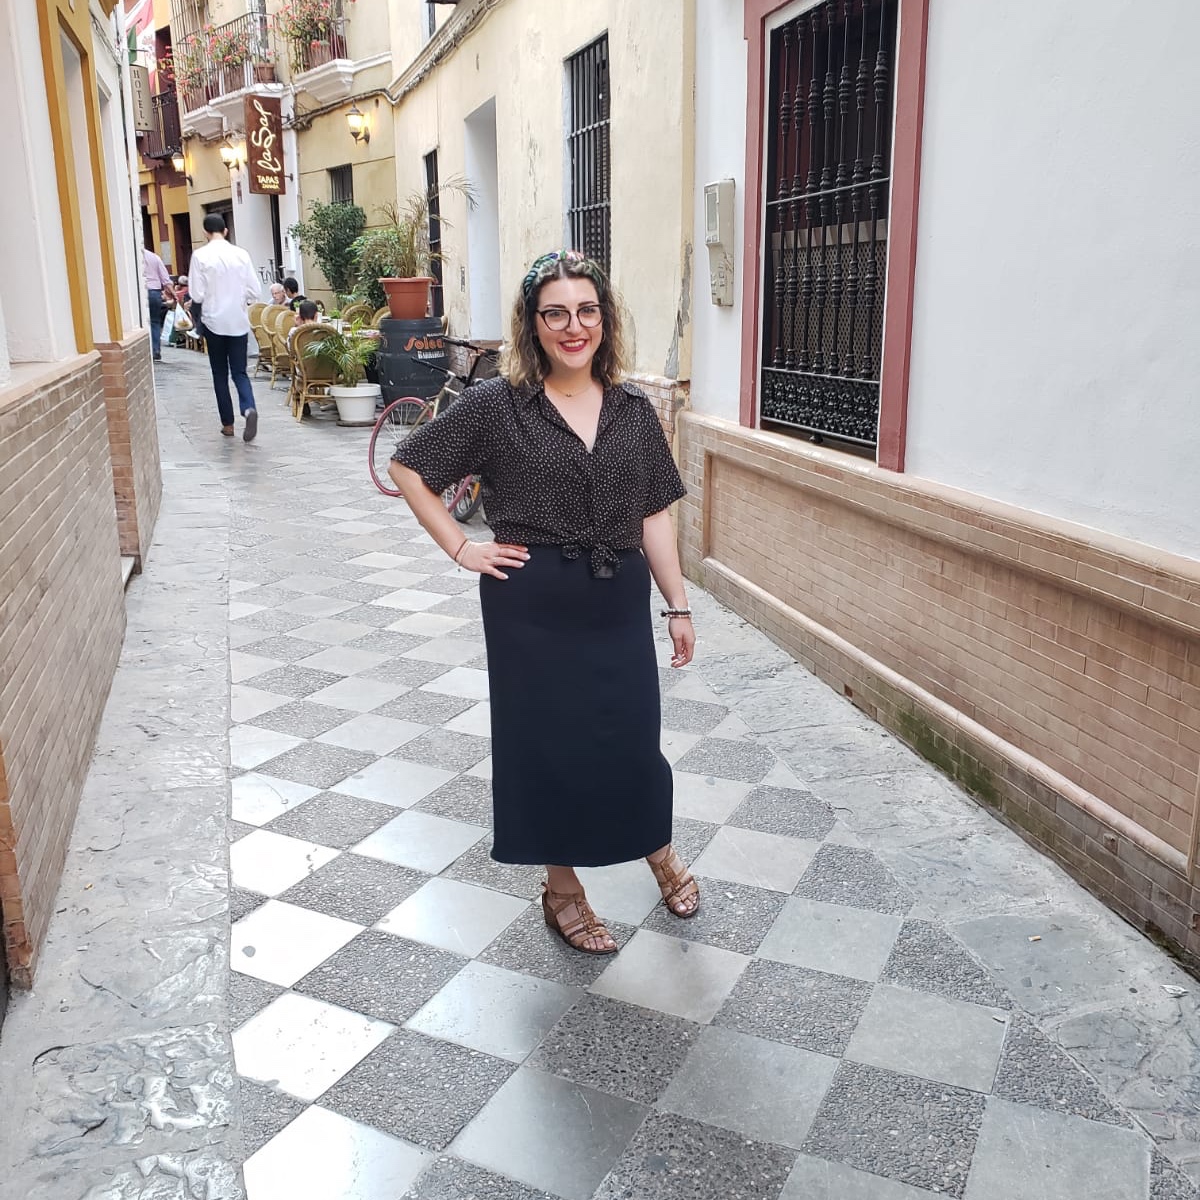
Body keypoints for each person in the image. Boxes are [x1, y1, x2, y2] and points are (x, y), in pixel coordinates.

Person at [389, 249, 699, 955]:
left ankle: (657, 849)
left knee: (632, 740)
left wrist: (676, 603)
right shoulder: (497, 406)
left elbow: (654, 511)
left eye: (585, 310)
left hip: (615, 596)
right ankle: (562, 889)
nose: (572, 326)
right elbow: (409, 464)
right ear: (533, 324)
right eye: (554, 312)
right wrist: (461, 548)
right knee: (546, 749)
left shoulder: (631, 409)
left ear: (603, 319)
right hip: (530, 604)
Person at [189, 214, 261, 441]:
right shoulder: (241, 254)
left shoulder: (200, 256)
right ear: (226, 231)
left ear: (205, 232)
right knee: (240, 372)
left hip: (213, 322)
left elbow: (196, 294)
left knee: (220, 373)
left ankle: (228, 424)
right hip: (238, 322)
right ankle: (248, 408)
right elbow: (255, 291)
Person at [142, 246, 175, 361]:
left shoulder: (132, 256)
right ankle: (156, 350)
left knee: (142, 324)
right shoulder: (154, 257)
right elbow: (165, 279)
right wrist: (174, 295)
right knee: (155, 322)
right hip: (154, 292)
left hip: (140, 292)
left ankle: (145, 350)